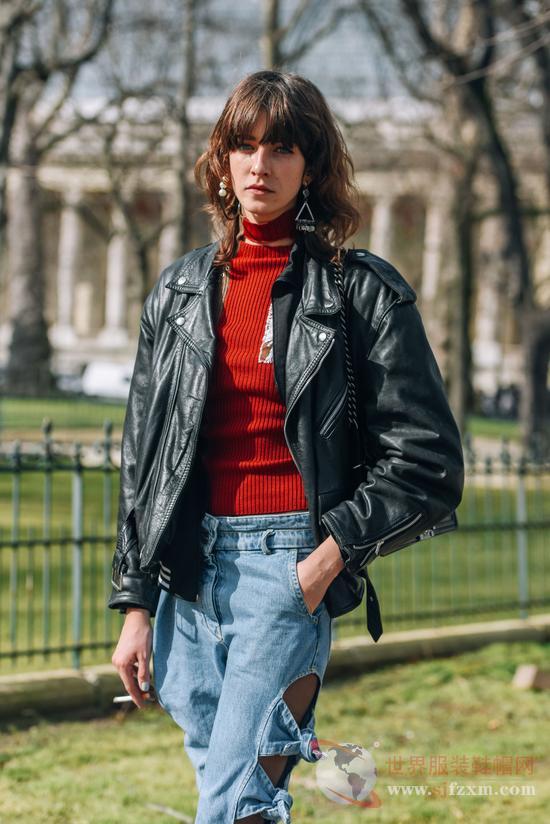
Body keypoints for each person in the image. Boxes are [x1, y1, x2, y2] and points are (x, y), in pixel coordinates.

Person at [108, 70, 464, 823]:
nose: (259, 165)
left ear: (312, 166)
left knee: (235, 801)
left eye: (282, 147)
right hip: (188, 575)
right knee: (239, 795)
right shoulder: (177, 295)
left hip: (288, 570)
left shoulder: (361, 291)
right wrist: (135, 606)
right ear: (222, 162)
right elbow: (145, 463)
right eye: (243, 145)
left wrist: (327, 558)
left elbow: (428, 462)